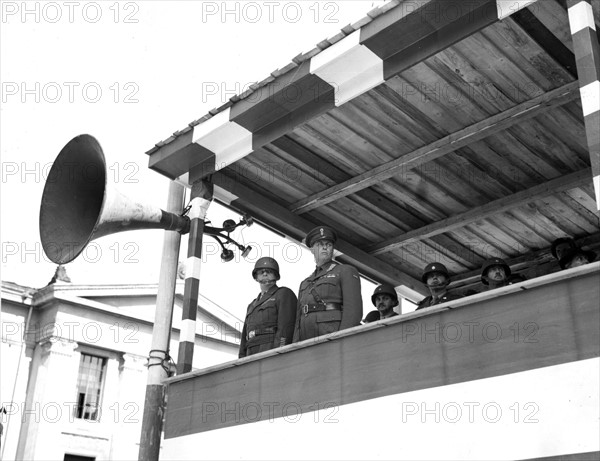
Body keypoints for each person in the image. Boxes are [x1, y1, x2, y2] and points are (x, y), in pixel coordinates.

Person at [293, 225, 362, 342]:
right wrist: (295, 346)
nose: (325, 247)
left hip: (332, 336)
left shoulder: (345, 271)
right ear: (312, 249)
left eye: (328, 244)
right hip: (306, 339)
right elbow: (298, 321)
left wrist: (342, 340)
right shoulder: (304, 283)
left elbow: (353, 312)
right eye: (320, 244)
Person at [238, 257, 298, 358]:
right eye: (261, 272)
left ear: (276, 275)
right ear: (256, 277)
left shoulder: (283, 294)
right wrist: (241, 360)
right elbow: (244, 337)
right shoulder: (251, 306)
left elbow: (285, 328)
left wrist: (279, 352)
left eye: (269, 271)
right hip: (251, 353)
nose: (265, 274)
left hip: (270, 350)